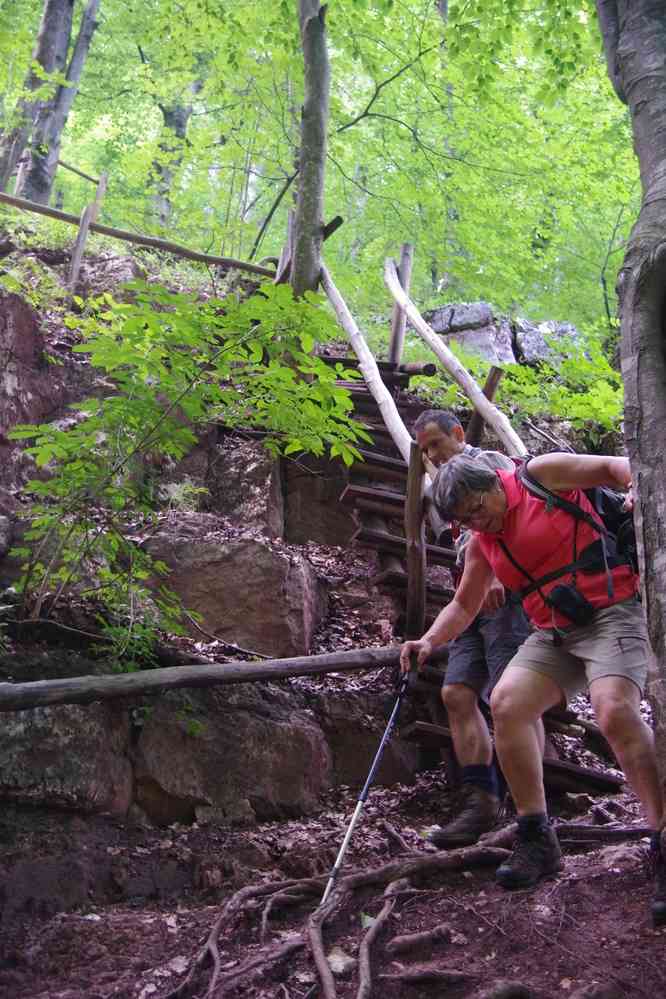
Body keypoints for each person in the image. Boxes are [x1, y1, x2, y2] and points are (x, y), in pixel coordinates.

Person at [399, 451, 666, 924]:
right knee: (506, 702)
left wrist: (635, 492)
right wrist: (428, 640)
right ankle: (536, 835)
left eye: (477, 507)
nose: (476, 521)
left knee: (613, 711)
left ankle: (661, 832)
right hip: (554, 631)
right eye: (463, 518)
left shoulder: (540, 476)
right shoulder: (483, 539)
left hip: (613, 611)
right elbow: (464, 605)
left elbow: (612, 466)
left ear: (495, 481)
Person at [412, 410, 532, 847]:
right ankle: (480, 802)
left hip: (505, 595)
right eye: (424, 450)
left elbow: (509, 518)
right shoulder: (444, 486)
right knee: (456, 693)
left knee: (513, 697)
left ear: (457, 434)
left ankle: (529, 812)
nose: (431, 455)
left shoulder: (489, 462)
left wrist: (499, 576)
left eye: (435, 445)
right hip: (471, 595)